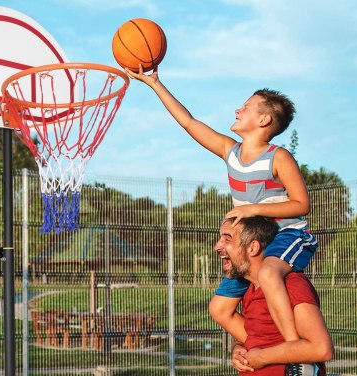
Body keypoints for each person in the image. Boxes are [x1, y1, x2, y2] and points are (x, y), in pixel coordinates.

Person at [126, 65, 317, 344]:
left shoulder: (278, 157)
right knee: (219, 309)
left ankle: (293, 346)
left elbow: (301, 204)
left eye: (246, 107)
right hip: (252, 241)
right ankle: (259, 348)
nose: (238, 110)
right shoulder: (231, 152)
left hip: (288, 235)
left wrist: (253, 209)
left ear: (264, 119)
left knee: (268, 272)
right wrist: (155, 84)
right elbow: (189, 122)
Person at [214, 216, 333, 375]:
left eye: (227, 239)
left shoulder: (291, 284)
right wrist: (238, 349)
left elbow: (320, 348)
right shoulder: (249, 290)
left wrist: (262, 357)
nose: (217, 246)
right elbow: (255, 336)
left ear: (252, 248)